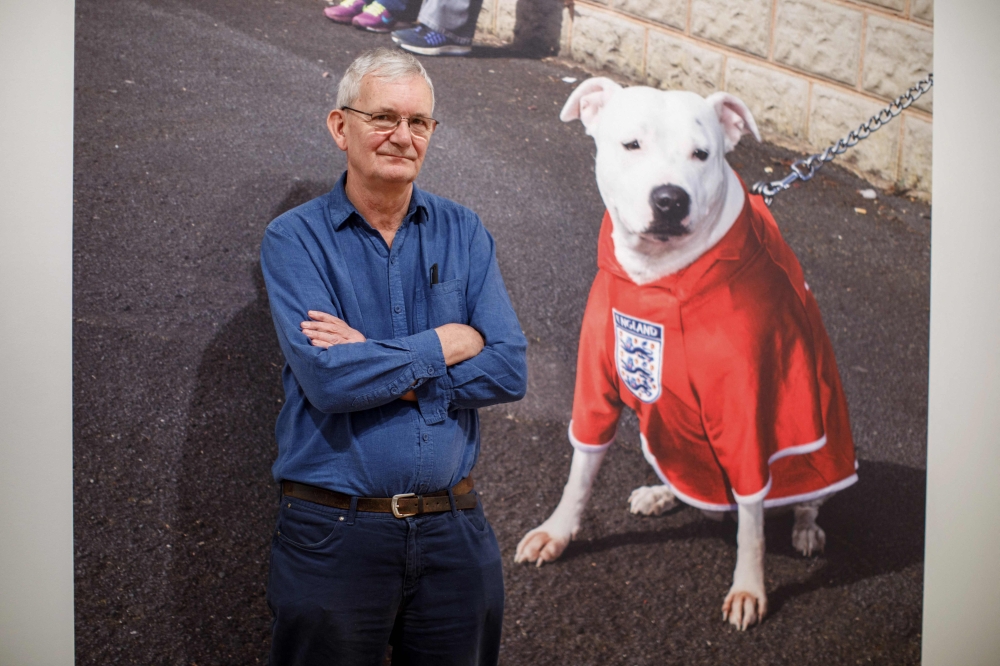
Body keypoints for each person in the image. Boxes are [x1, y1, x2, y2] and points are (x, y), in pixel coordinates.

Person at [260, 47, 528, 666]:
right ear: (339, 126)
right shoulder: (294, 239)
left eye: (419, 122)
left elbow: (510, 367)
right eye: (383, 117)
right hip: (334, 536)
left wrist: (380, 362)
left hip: (455, 536)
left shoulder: (465, 231)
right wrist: (449, 342)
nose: (402, 137)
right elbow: (330, 380)